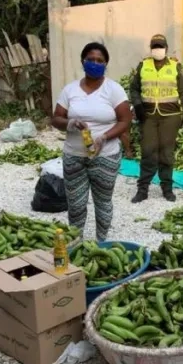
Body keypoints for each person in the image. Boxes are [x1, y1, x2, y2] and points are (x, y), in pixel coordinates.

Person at [52, 42, 132, 241]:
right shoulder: (70, 90)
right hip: (74, 156)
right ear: (83, 62)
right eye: (90, 60)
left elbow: (125, 120)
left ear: (106, 64)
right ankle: (76, 243)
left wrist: (104, 137)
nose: (95, 64)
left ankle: (101, 242)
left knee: (103, 202)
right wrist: (70, 123)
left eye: (100, 61)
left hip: (105, 156)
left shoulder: (114, 90)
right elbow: (56, 118)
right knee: (76, 205)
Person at [129, 34, 183, 203]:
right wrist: (137, 105)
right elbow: (134, 88)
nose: (158, 49)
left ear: (166, 48)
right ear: (151, 48)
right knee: (148, 152)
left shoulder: (175, 66)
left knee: (166, 154)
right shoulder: (143, 66)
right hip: (148, 116)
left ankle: (167, 188)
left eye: (160, 46)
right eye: (155, 46)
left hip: (170, 117)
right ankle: (142, 189)